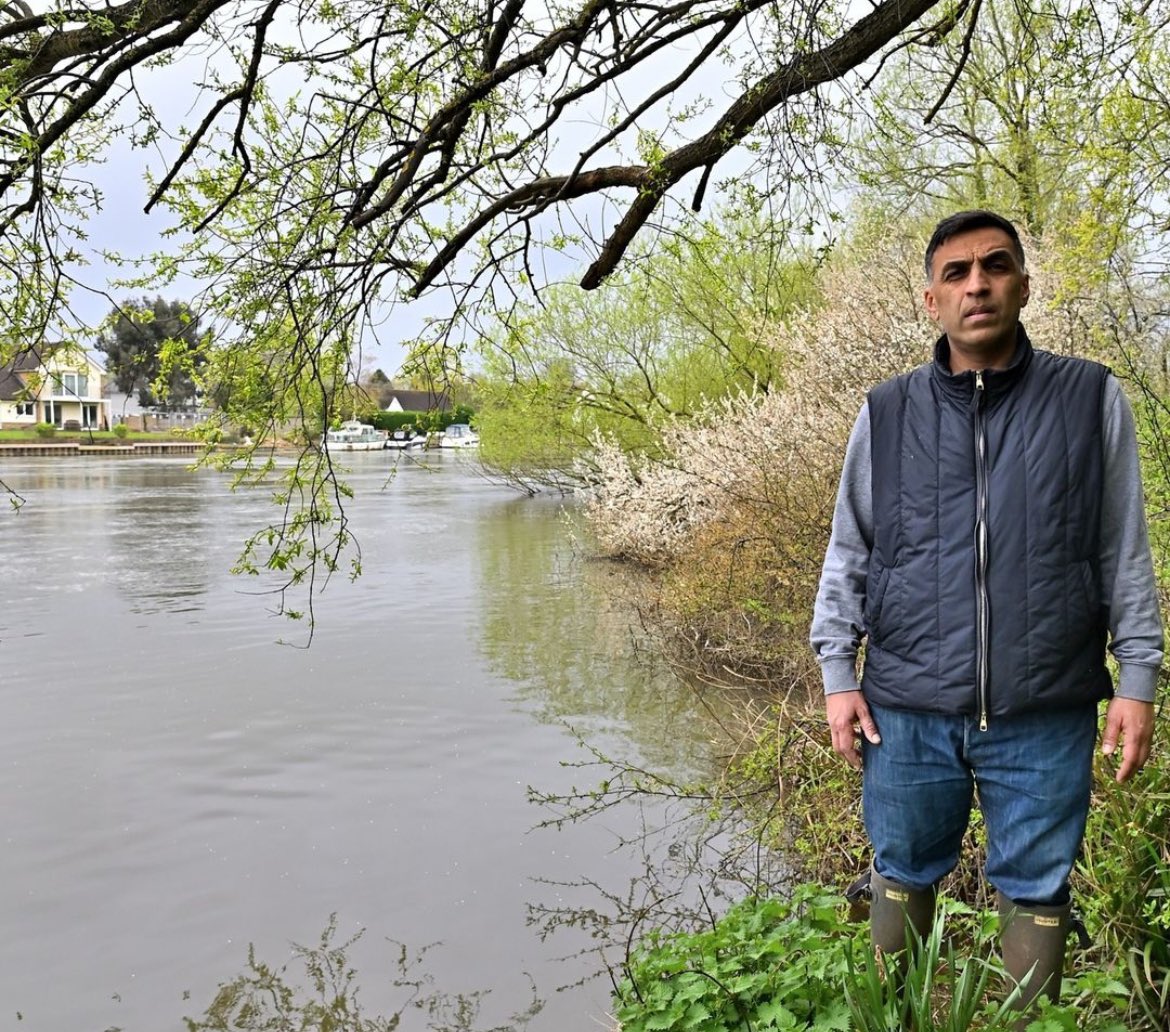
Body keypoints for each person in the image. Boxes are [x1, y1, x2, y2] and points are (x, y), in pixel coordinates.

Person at [809, 210, 1163, 1019]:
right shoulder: (887, 412)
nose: (979, 284)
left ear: (1024, 286)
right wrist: (837, 673)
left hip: (1045, 708)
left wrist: (1138, 679)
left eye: (996, 266)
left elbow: (1123, 552)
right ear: (931, 300)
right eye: (959, 273)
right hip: (905, 708)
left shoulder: (1089, 399)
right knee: (900, 873)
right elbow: (849, 552)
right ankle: (894, 1019)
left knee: (1038, 884)